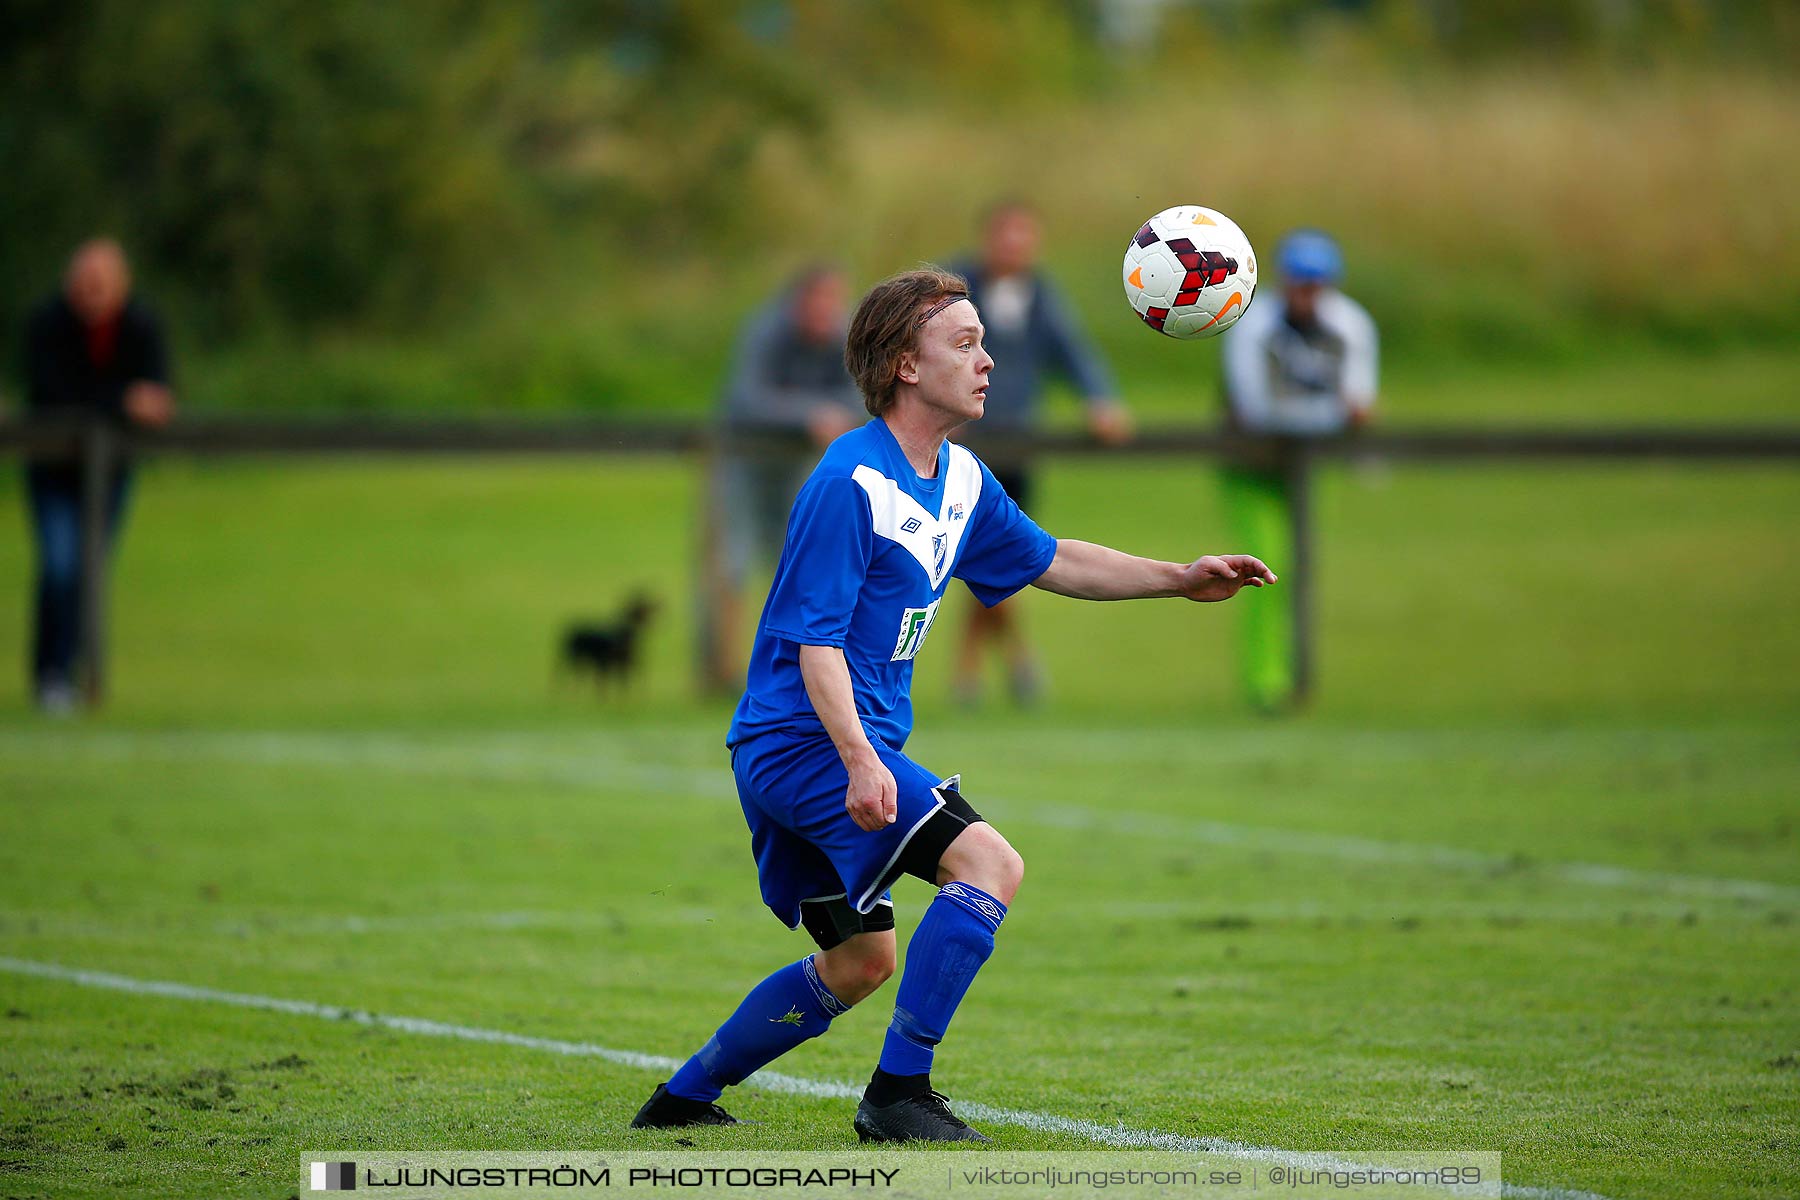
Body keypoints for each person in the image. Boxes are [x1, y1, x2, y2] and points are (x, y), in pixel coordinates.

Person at [631, 267, 1274, 1142]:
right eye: (964, 344)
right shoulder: (849, 481)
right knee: (989, 864)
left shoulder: (962, 479)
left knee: (859, 964)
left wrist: (1177, 578)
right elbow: (812, 642)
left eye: (983, 342)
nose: (987, 361)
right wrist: (860, 760)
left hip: (820, 746)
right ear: (904, 364)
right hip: (807, 743)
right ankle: (898, 1094)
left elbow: (1051, 558)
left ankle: (680, 1099)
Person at [946, 201, 1132, 707]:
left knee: (998, 553)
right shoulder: (955, 292)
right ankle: (1010, 664)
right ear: (988, 239)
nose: (1014, 247)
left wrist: (1101, 400)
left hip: (1019, 444)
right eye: (1006, 236)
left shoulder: (1042, 294)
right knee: (984, 554)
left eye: (1024, 237)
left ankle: (982, 668)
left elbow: (1073, 352)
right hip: (962, 444)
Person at [1220, 229, 1377, 712]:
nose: (1307, 294)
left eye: (1317, 284)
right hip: (1251, 467)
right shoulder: (1252, 325)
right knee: (1263, 566)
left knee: (1297, 569)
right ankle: (1266, 681)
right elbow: (1256, 409)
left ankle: (1288, 674)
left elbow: (1360, 404)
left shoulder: (1350, 325)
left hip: (1304, 471)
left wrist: (1330, 418)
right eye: (1300, 282)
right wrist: (1327, 415)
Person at [21, 239, 175, 713]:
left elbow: (159, 392)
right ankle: (50, 674)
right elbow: (50, 393)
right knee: (61, 564)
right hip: (53, 469)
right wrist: (122, 400)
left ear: (121, 285)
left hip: (110, 473)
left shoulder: (141, 326)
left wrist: (142, 401)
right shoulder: (48, 325)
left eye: (100, 284)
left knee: (90, 570)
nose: (91, 293)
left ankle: (71, 672)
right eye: (84, 283)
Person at [701, 266, 866, 691]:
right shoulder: (765, 330)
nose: (827, 313)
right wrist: (809, 413)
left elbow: (860, 393)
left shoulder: (843, 335)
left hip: (798, 462)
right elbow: (745, 397)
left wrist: (831, 414)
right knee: (730, 562)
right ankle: (720, 674)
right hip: (742, 458)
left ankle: (789, 672)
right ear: (798, 302)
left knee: (796, 561)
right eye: (819, 303)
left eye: (834, 304)